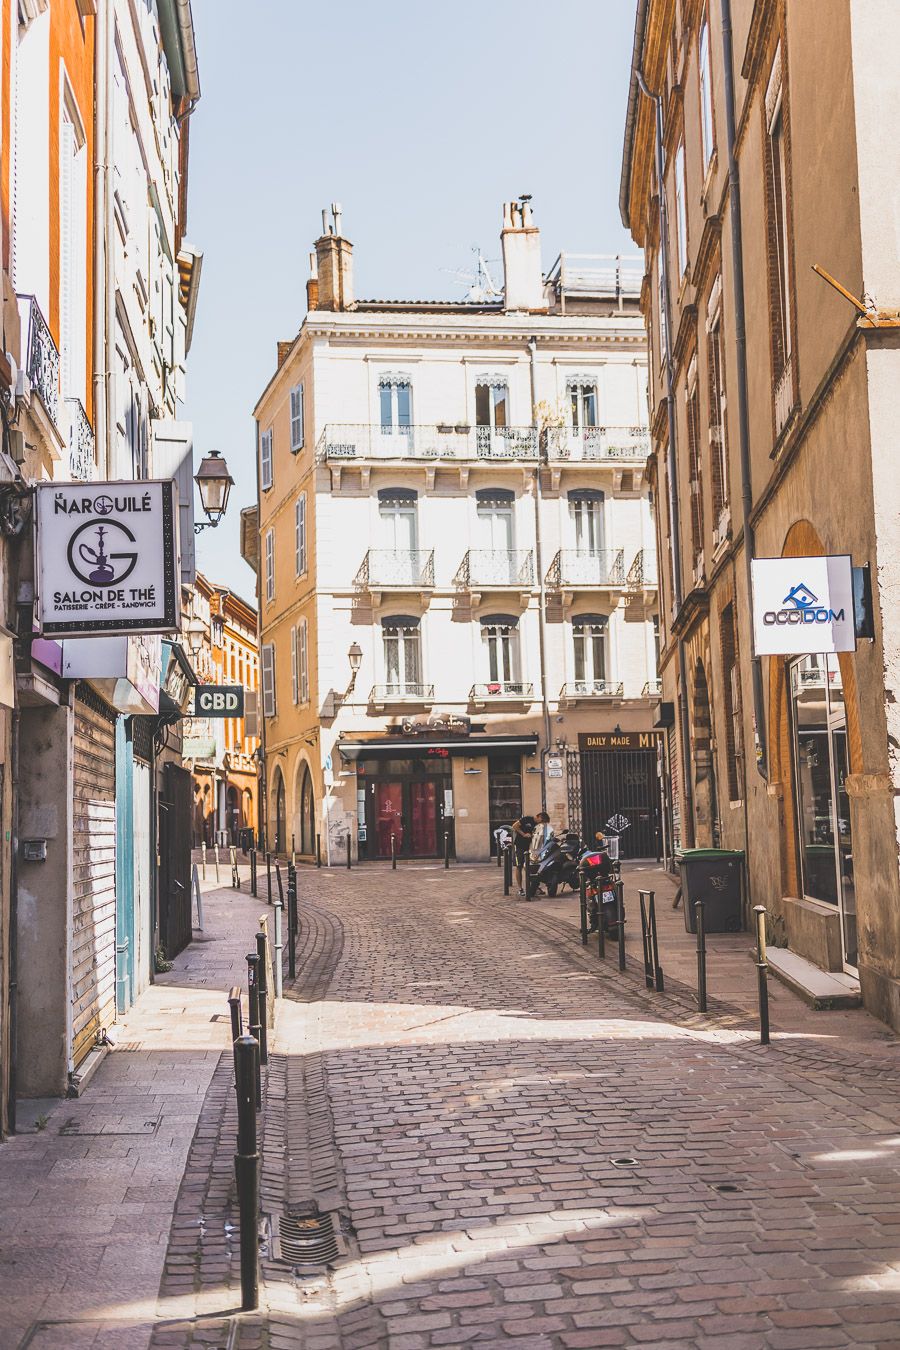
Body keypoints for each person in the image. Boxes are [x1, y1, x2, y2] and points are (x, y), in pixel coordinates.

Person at [510, 813, 536, 896]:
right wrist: (524, 834)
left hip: (531, 847)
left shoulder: (539, 825)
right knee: (519, 866)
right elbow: (514, 826)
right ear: (539, 817)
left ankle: (534, 886)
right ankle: (520, 888)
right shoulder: (527, 819)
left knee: (531, 866)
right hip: (520, 845)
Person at [528, 811, 553, 896]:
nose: (535, 819)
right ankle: (535, 888)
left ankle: (535, 888)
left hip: (539, 854)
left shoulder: (547, 828)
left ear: (541, 818)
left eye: (537, 817)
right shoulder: (538, 827)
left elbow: (547, 841)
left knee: (536, 871)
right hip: (536, 853)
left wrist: (539, 852)